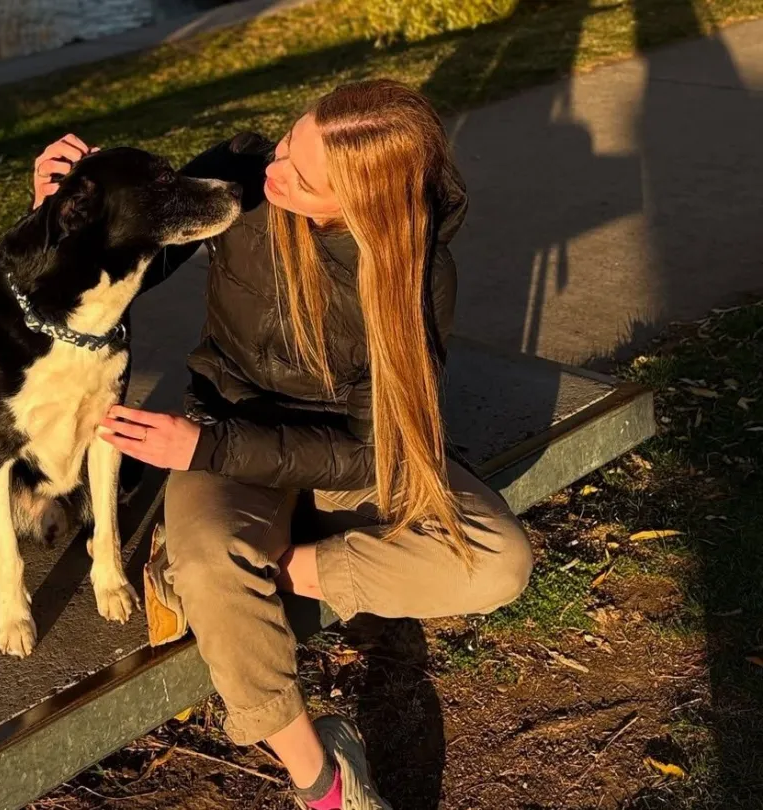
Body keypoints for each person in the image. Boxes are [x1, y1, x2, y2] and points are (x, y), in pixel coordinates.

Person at [32, 79, 533, 810]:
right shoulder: (239, 182)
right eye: (291, 140)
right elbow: (95, 275)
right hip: (224, 429)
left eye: (301, 178)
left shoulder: (416, 273)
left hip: (329, 453)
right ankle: (325, 782)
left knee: (498, 564)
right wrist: (65, 211)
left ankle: (244, 572)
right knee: (210, 558)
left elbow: (374, 449)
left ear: (358, 207)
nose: (276, 172)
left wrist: (250, 538)